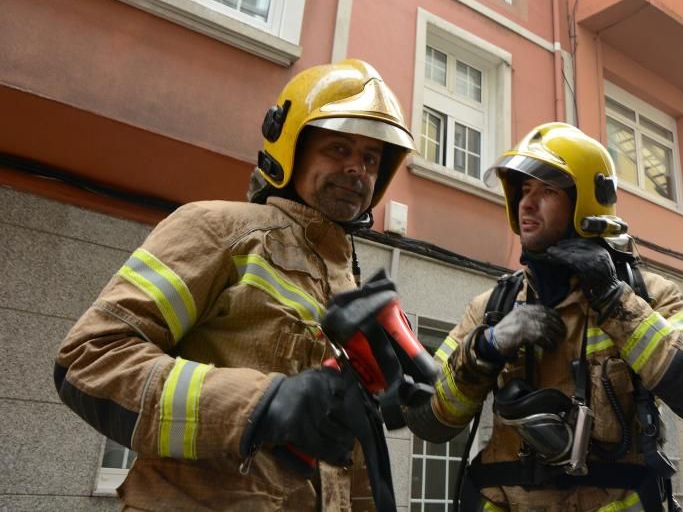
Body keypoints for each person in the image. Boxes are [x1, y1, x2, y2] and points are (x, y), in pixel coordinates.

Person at [54, 59, 415, 510]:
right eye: (338, 149)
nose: (357, 170)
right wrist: (261, 404)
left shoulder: (348, 280)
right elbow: (88, 361)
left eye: (370, 158)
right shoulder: (219, 229)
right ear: (291, 148)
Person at [405, 122, 683, 511]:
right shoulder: (492, 307)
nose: (527, 203)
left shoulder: (647, 294)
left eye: (546, 190)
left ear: (585, 204)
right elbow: (430, 421)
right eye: (523, 190)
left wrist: (614, 302)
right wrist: (487, 347)